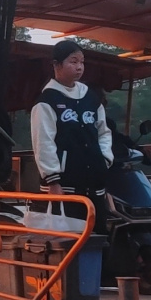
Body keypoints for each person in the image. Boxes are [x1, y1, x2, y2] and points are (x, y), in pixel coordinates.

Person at [33, 40, 112, 201]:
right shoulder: (47, 101)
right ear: (57, 65)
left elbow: (104, 132)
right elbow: (43, 142)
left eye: (82, 62)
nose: (79, 67)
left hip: (94, 185)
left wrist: (104, 159)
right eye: (73, 61)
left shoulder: (91, 98)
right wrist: (52, 180)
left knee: (97, 226)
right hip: (64, 186)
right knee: (68, 226)